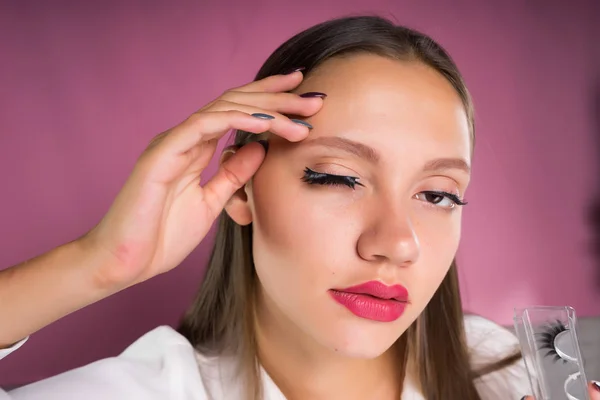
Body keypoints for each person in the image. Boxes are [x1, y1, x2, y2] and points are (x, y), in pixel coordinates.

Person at [0, 14, 598, 400]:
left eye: (437, 194)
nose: (397, 241)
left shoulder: (525, 371)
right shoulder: (150, 390)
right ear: (241, 187)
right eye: (339, 178)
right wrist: (99, 262)